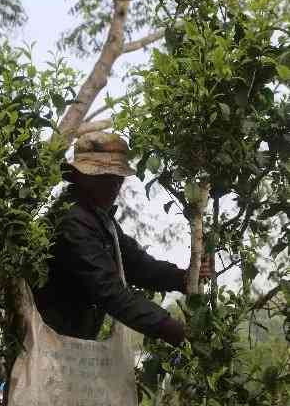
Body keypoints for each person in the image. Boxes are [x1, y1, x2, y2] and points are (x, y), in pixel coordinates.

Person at [34, 131, 211, 346]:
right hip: (50, 341)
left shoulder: (96, 218)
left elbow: (135, 264)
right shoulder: (73, 222)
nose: (115, 184)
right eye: (106, 176)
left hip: (68, 341)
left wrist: (181, 278)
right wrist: (169, 328)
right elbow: (108, 291)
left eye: (118, 177)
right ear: (83, 177)